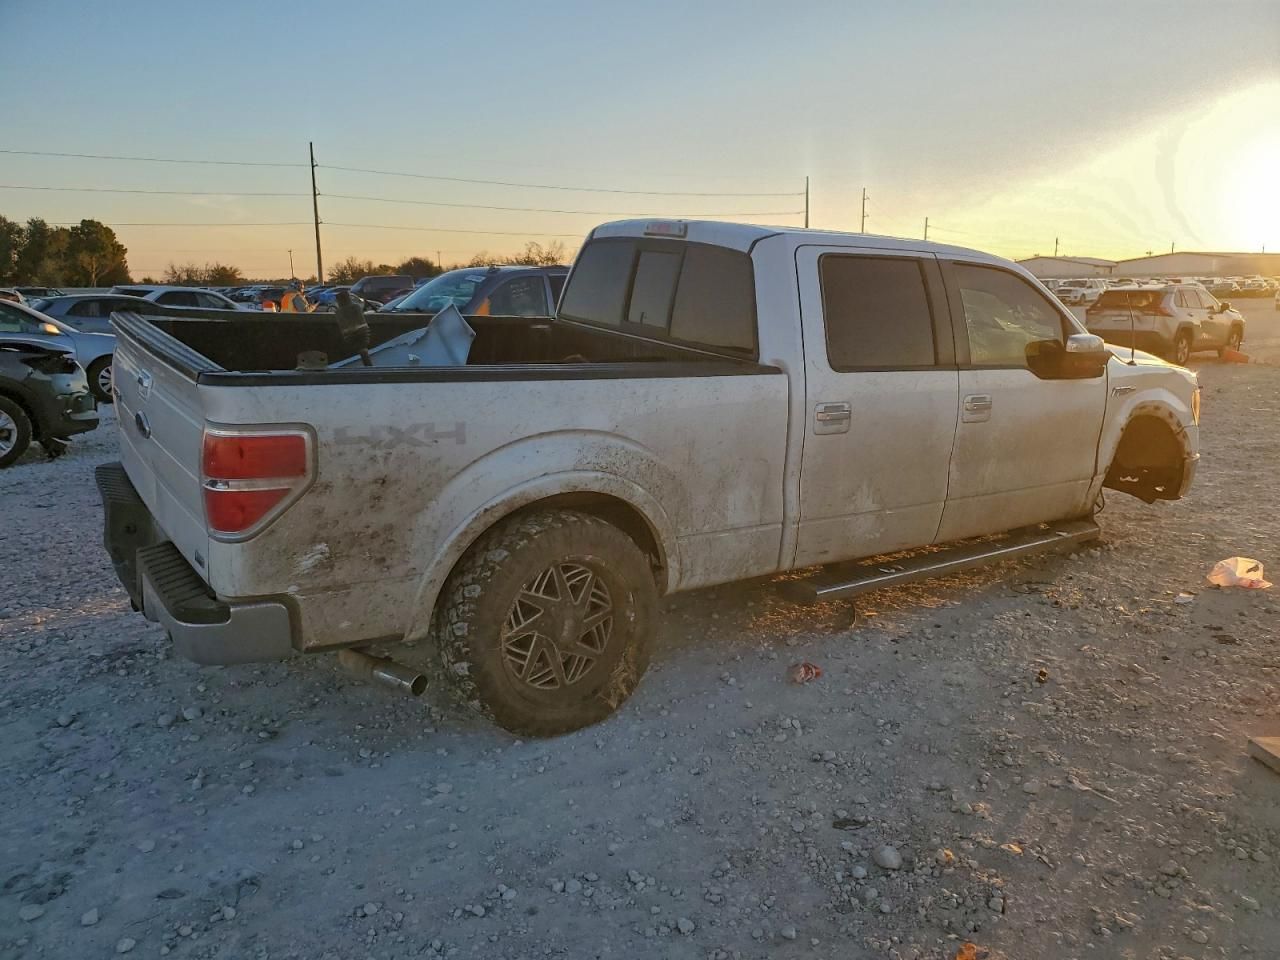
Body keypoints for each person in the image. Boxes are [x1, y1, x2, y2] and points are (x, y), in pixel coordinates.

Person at [333, 288, 371, 366]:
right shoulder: (356, 307)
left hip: (350, 336)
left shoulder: (339, 312)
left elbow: (343, 326)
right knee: (363, 351)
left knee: (360, 350)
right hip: (362, 334)